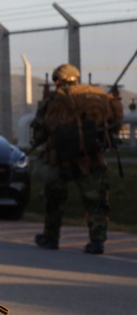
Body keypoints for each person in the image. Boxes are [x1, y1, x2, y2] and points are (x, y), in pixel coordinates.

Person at [31, 63, 122, 254]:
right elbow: (114, 124)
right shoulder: (98, 97)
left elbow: (40, 131)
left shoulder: (55, 100)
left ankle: (51, 237)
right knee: (96, 200)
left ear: (59, 80)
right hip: (90, 157)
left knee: (54, 199)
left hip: (60, 158)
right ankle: (97, 241)